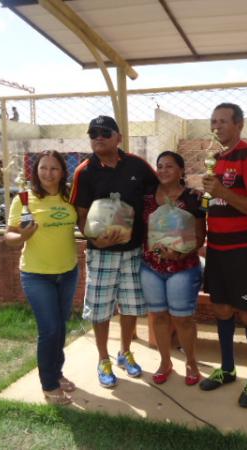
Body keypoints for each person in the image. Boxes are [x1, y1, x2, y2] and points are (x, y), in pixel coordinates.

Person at [70, 115, 158, 388]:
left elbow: (159, 195)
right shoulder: (84, 171)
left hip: (132, 252)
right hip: (101, 253)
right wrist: (94, 238)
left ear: (118, 137)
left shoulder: (137, 166)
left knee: (130, 306)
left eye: (105, 132)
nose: (98, 136)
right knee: (100, 309)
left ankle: (125, 352)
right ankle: (103, 358)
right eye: (93, 132)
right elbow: (80, 216)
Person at [199, 103, 247, 408]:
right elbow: (213, 201)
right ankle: (228, 369)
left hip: (243, 251)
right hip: (216, 248)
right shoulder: (214, 158)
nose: (216, 127)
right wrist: (205, 199)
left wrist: (222, 192)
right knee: (221, 309)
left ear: (239, 125)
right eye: (213, 121)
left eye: (223, 122)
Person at [4, 150, 79, 405]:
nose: (48, 173)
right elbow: (9, 236)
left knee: (60, 328)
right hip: (37, 275)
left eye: (54, 168)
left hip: (68, 271)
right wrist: (23, 236)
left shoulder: (69, 195)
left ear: (62, 171)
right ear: (36, 171)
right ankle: (48, 385)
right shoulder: (25, 199)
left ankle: (57, 374)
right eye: (43, 168)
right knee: (49, 330)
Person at [141, 151, 206, 386]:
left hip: (182, 267)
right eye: (160, 166)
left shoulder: (192, 198)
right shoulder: (147, 195)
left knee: (182, 319)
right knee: (158, 316)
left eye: (169, 166)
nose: (163, 170)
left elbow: (199, 236)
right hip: (151, 267)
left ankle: (191, 362)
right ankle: (165, 361)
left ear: (181, 171)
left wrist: (180, 252)